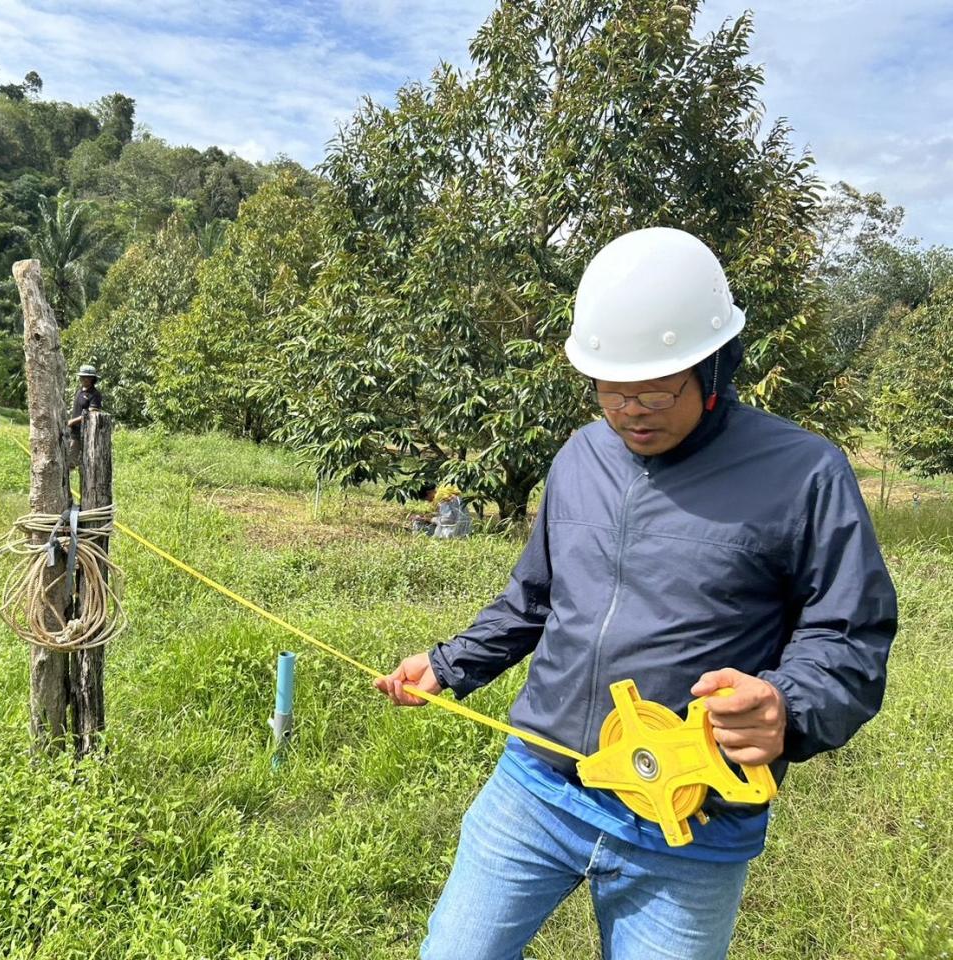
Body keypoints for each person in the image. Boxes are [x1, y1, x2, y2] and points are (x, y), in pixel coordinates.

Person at [374, 227, 897, 959]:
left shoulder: (805, 473)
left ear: (714, 365)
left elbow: (849, 637)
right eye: (611, 387)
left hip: (687, 823)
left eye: (656, 387)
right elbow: (535, 598)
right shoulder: (582, 456)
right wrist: (450, 663)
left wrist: (789, 707)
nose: (630, 409)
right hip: (538, 787)